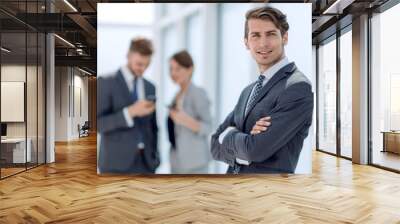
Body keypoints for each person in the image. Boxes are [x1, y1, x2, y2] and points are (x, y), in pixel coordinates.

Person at [211, 6, 314, 174]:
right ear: (246, 42)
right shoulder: (247, 91)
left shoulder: (297, 87)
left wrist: (229, 136)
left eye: (271, 34)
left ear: (285, 37)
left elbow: (256, 151)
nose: (263, 43)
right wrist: (246, 141)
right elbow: (214, 144)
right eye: (255, 35)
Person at [97, 37, 159, 174]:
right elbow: (99, 124)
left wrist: (156, 157)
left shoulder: (150, 87)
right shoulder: (106, 82)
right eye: (139, 64)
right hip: (115, 165)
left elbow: (153, 127)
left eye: (147, 65)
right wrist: (130, 112)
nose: (143, 69)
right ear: (128, 56)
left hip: (146, 164)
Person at [167, 50, 212, 174]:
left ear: (190, 69)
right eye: (171, 69)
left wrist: (186, 121)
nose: (173, 73)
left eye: (178, 69)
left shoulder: (198, 93)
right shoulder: (176, 96)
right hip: (177, 160)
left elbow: (208, 127)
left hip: (194, 163)